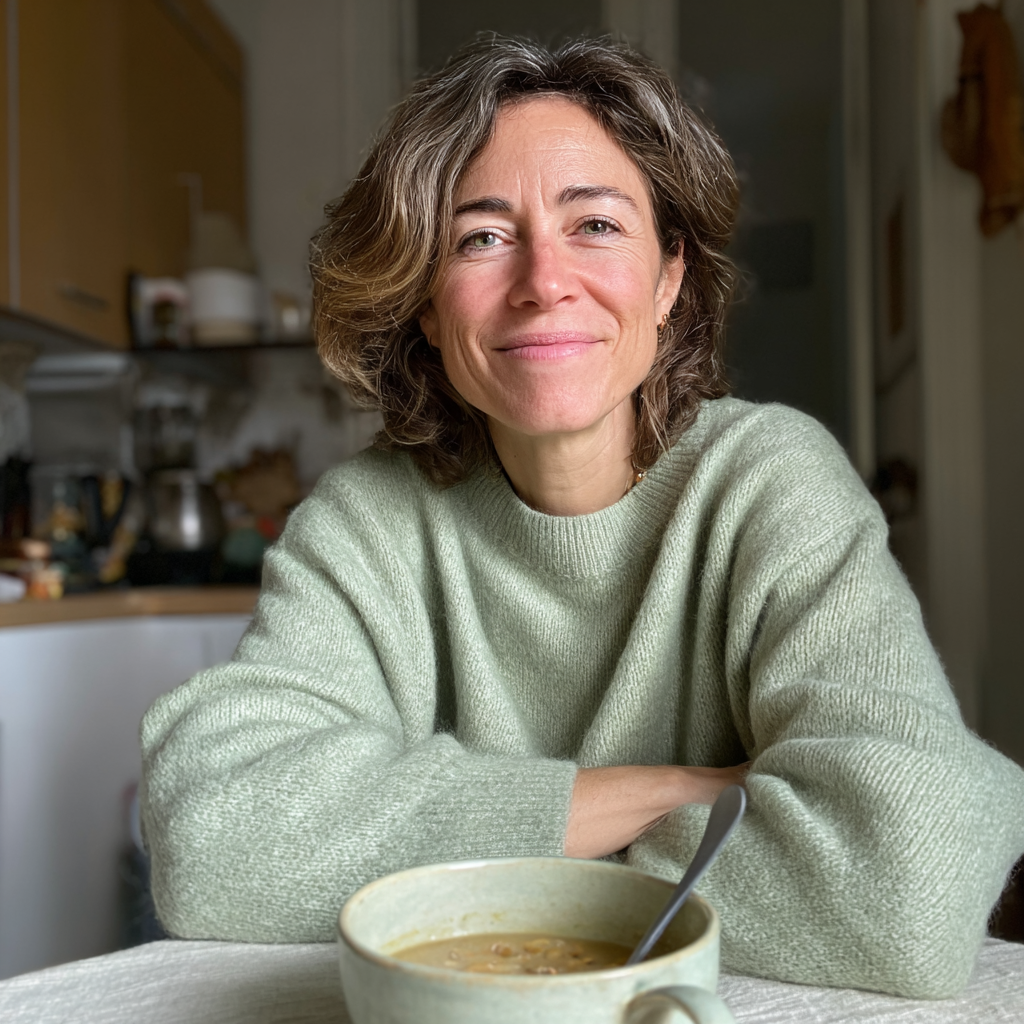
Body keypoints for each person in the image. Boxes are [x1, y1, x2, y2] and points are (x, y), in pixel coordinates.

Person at [140, 36, 1024, 999]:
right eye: (481, 238)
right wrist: (673, 792)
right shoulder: (366, 521)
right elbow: (210, 837)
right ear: (426, 306)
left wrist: (459, 858)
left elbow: (912, 875)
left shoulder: (768, 479)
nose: (543, 281)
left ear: (670, 277)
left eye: (596, 224)